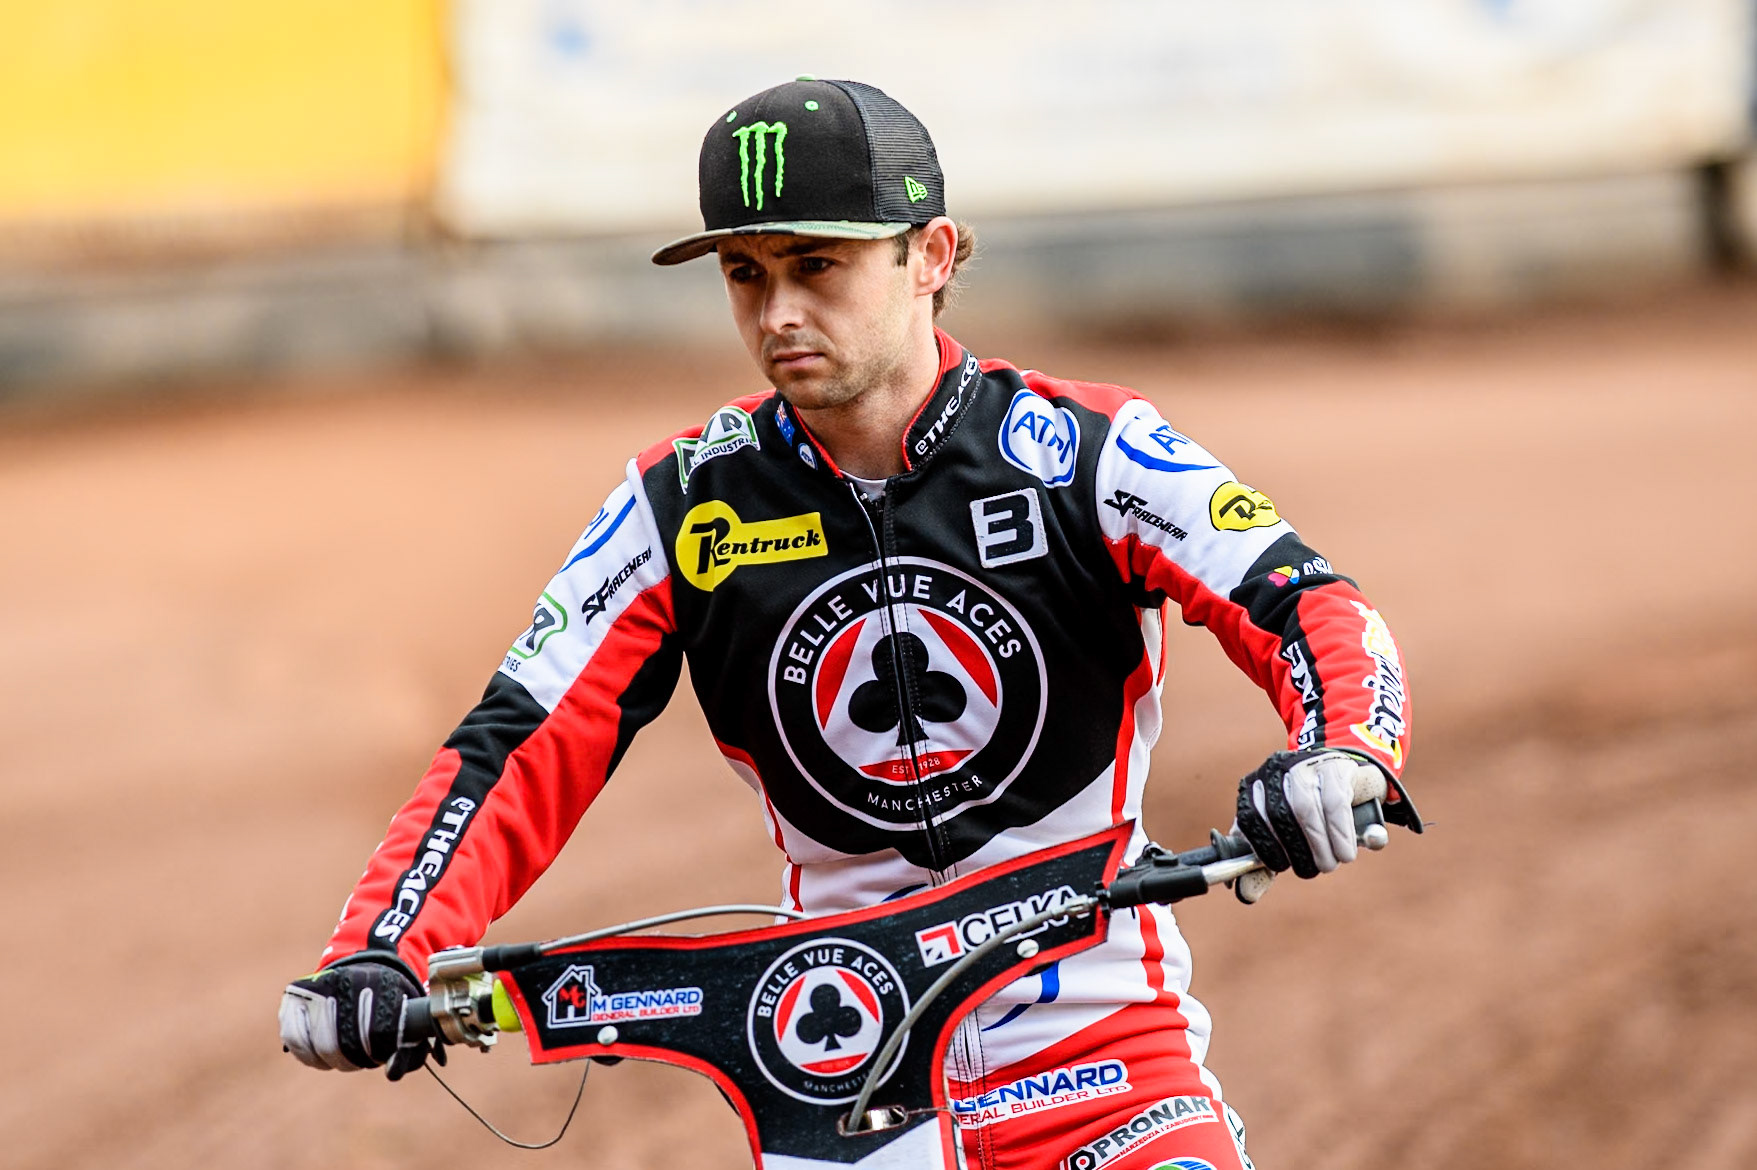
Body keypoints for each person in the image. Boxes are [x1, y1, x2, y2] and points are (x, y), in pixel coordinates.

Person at [279, 78, 1418, 1170]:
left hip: (1104, 1063)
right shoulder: (683, 504)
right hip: (834, 1072)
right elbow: (523, 736)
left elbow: (1304, 601)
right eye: (744, 273)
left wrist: (1340, 748)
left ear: (930, 256)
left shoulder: (1087, 450)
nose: (777, 312)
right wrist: (382, 946)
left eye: (816, 265)